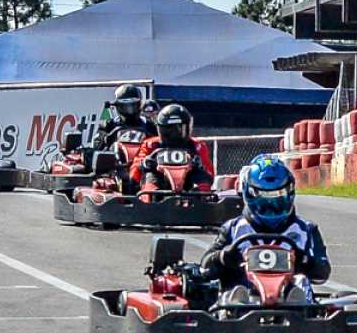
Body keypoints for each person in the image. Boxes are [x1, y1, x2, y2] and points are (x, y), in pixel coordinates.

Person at [197, 154, 331, 293]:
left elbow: (322, 274)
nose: (271, 205)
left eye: (278, 196)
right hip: (242, 299)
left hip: (291, 299)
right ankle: (238, 298)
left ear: (289, 193)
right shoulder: (233, 228)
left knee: (301, 280)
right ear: (249, 194)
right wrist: (224, 257)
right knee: (231, 285)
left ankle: (297, 302)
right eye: (263, 198)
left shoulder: (306, 230)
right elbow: (205, 267)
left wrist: (303, 260)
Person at [133, 103, 215, 192]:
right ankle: (149, 198)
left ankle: (201, 198)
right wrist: (144, 163)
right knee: (148, 178)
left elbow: (210, 173)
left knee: (203, 180)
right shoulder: (151, 144)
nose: (175, 134)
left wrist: (199, 165)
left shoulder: (197, 145)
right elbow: (135, 170)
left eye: (179, 129)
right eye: (170, 130)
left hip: (188, 183)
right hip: (159, 181)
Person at [93, 83, 150, 151]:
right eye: (125, 106)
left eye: (132, 105)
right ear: (118, 106)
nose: (129, 110)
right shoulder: (109, 125)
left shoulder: (148, 124)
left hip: (142, 156)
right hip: (115, 156)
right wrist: (106, 139)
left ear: (139, 105)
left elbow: (159, 143)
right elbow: (97, 146)